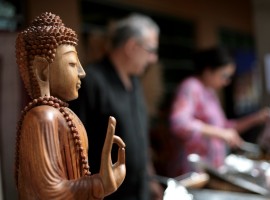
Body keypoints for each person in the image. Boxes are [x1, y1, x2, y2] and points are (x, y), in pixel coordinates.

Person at [15, 12, 126, 199]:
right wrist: (99, 184)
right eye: (72, 63)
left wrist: (103, 180)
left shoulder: (62, 113)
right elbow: (47, 192)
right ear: (42, 70)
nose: (82, 72)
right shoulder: (43, 117)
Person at [69, 13, 164, 200]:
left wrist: (151, 179)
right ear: (131, 46)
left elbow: (140, 136)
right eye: (151, 50)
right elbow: (74, 146)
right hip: (107, 194)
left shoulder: (135, 82)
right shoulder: (91, 81)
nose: (153, 59)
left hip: (140, 190)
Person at [169, 46, 269, 176]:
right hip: (193, 169)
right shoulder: (191, 87)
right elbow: (179, 123)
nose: (226, 82)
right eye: (224, 76)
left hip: (212, 167)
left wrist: (255, 118)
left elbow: (225, 128)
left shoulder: (210, 92)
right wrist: (220, 133)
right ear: (208, 71)